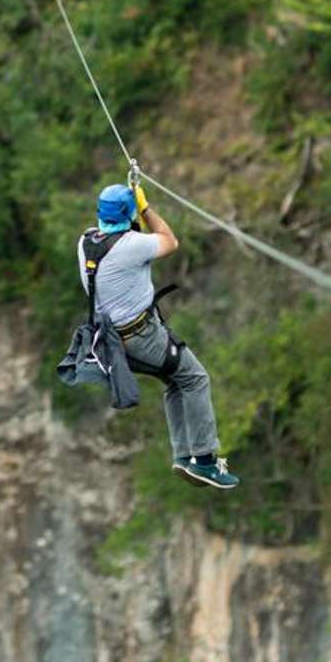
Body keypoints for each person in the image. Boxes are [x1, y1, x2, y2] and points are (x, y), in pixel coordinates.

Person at [76, 180, 239, 489]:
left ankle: (183, 456)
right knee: (195, 378)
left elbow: (121, 237)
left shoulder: (85, 241)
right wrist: (146, 207)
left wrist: (130, 204)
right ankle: (205, 461)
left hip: (110, 343)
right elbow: (169, 241)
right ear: (129, 215)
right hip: (142, 337)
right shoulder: (132, 246)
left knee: (176, 382)